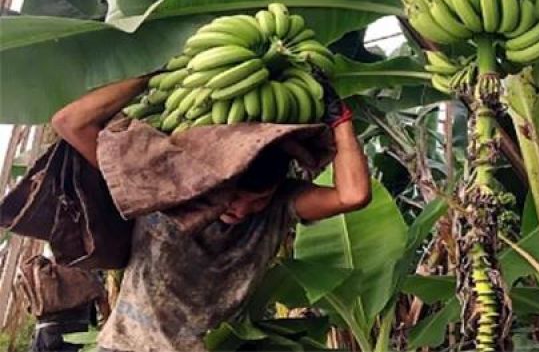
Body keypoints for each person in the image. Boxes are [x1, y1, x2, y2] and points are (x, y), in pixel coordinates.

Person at [50, 72, 371, 352]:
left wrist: (340, 119)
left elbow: (353, 195)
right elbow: (69, 122)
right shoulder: (166, 186)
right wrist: (157, 74)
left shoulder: (278, 207)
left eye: (257, 200)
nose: (243, 210)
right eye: (233, 198)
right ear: (212, 182)